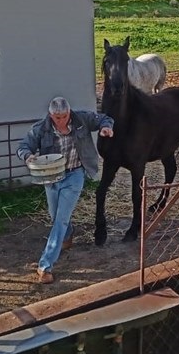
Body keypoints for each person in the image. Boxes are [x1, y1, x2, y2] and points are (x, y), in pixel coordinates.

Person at [17, 96, 114, 284]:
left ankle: (45, 266)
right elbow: (24, 146)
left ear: (69, 112)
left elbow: (104, 118)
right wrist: (28, 156)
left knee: (60, 220)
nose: (61, 121)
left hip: (74, 175)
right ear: (51, 115)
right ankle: (68, 235)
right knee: (55, 216)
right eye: (57, 117)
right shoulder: (41, 128)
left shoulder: (82, 119)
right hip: (52, 176)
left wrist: (106, 127)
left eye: (64, 116)